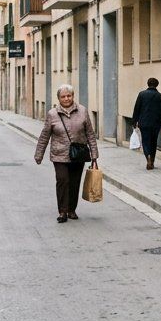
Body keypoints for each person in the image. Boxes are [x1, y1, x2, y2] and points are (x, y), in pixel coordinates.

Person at [34, 84, 99, 224]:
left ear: (73, 96)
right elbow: (45, 135)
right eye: (63, 96)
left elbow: (90, 134)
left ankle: (71, 210)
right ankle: (62, 211)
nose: (66, 98)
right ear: (59, 98)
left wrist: (94, 155)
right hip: (59, 154)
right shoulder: (52, 114)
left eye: (69, 96)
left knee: (75, 183)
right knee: (63, 181)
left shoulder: (82, 111)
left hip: (78, 154)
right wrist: (39, 154)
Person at [131, 77, 161, 170]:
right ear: (157, 85)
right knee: (154, 142)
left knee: (145, 141)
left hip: (144, 123)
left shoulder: (142, 94)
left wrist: (134, 121)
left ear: (148, 84)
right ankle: (152, 160)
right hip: (156, 124)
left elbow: (137, 108)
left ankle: (147, 156)